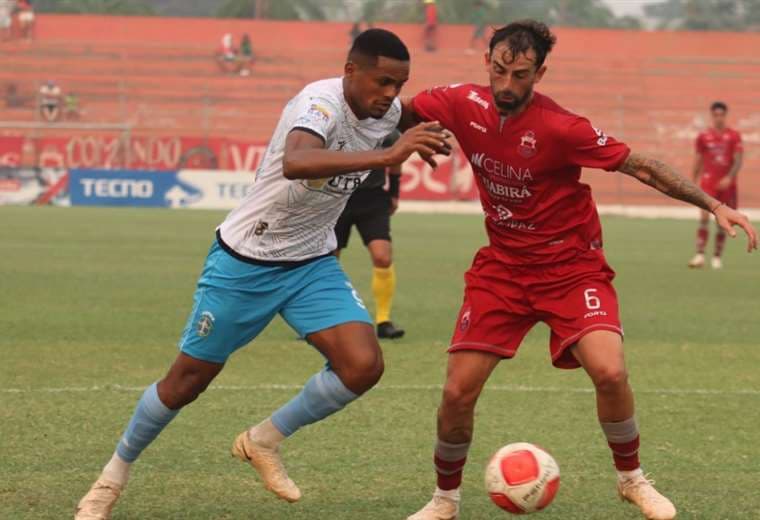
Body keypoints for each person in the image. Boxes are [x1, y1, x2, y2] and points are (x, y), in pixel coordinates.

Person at [73, 28, 450, 520]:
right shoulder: (320, 104)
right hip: (246, 261)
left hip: (311, 263)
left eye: (398, 86)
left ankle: (263, 440)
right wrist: (388, 155)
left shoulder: (389, 113)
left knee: (363, 365)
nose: (390, 96)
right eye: (382, 82)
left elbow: (435, 108)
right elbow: (297, 160)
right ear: (350, 70)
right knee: (187, 381)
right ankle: (111, 478)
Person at [400, 20, 757, 520]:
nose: (507, 85)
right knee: (457, 391)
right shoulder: (460, 102)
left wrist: (713, 204)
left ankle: (631, 480)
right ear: (487, 62)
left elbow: (643, 166)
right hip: (502, 268)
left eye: (520, 75)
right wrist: (396, 150)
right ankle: (445, 501)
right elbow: (400, 110)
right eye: (500, 70)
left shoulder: (562, 127)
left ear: (540, 73)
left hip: (571, 268)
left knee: (610, 371)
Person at [334, 129, 405, 339]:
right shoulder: (337, 122)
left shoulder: (386, 127)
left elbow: (396, 158)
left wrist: (394, 192)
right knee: (328, 261)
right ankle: (329, 319)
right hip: (337, 198)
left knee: (382, 256)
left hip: (373, 198)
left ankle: (383, 320)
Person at [688, 101, 743, 269]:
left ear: (725, 115)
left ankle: (717, 257)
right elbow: (698, 159)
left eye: (722, 115)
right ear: (712, 115)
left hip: (727, 186)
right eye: (716, 115)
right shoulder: (703, 136)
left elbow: (738, 160)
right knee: (704, 217)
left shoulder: (734, 136)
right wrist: (693, 181)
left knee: (723, 221)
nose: (719, 118)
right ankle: (699, 255)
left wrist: (729, 177)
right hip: (708, 183)